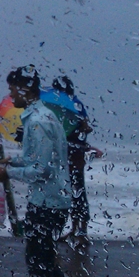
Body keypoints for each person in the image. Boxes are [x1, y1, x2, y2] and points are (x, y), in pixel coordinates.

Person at [0, 66, 109, 277]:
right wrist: (12, 164)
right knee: (41, 266)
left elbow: (41, 170)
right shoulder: (41, 117)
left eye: (12, 89)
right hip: (50, 200)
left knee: (40, 265)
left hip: (47, 203)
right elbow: (39, 162)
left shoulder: (38, 122)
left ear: (24, 89)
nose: (10, 95)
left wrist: (9, 174)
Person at [50, 76, 103, 245]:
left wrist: (77, 125)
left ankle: (82, 232)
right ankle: (74, 230)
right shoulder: (58, 108)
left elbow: (87, 127)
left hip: (75, 156)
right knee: (70, 194)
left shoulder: (74, 105)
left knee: (78, 192)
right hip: (63, 156)